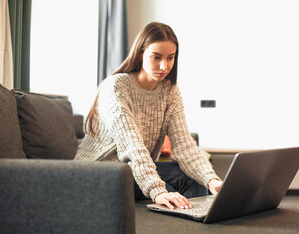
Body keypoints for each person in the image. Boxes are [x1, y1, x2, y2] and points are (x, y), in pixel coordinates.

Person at [74, 22, 222, 210]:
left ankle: (196, 224)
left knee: (195, 181)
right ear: (141, 53)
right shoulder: (115, 87)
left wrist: (212, 180)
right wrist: (157, 190)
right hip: (98, 172)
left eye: (170, 58)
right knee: (168, 192)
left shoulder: (170, 91)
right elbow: (133, 146)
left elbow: (184, 146)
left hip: (132, 170)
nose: (164, 66)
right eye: (156, 57)